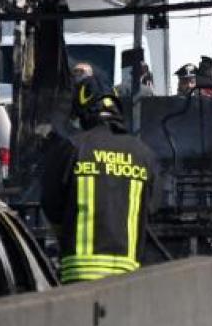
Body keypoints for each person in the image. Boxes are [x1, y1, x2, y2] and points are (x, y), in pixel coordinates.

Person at [41, 77, 159, 284]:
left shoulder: (72, 148)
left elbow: (50, 204)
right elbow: (152, 207)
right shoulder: (143, 154)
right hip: (127, 277)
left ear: (82, 112)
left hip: (79, 277)